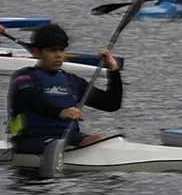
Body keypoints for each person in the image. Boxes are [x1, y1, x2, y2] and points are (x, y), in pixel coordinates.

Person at [7, 23, 122, 154]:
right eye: (52, 50)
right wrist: (60, 112)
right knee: (65, 149)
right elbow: (29, 100)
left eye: (61, 50)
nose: (58, 55)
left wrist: (113, 70)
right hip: (31, 138)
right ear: (37, 52)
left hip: (69, 136)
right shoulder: (24, 77)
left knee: (99, 141)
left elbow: (111, 104)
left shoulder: (72, 81)